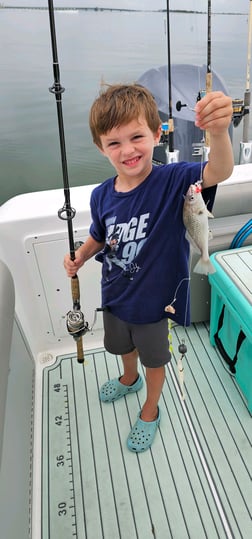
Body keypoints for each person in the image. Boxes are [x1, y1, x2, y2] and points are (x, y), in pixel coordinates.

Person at [64, 84, 234, 453]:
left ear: (158, 134)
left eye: (137, 136)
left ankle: (151, 407)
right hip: (115, 299)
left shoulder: (173, 181)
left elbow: (219, 170)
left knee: (154, 361)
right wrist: (81, 254)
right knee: (122, 348)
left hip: (156, 306)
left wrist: (218, 132)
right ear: (100, 148)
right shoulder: (100, 195)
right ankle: (128, 378)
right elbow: (99, 235)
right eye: (113, 143)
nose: (127, 150)